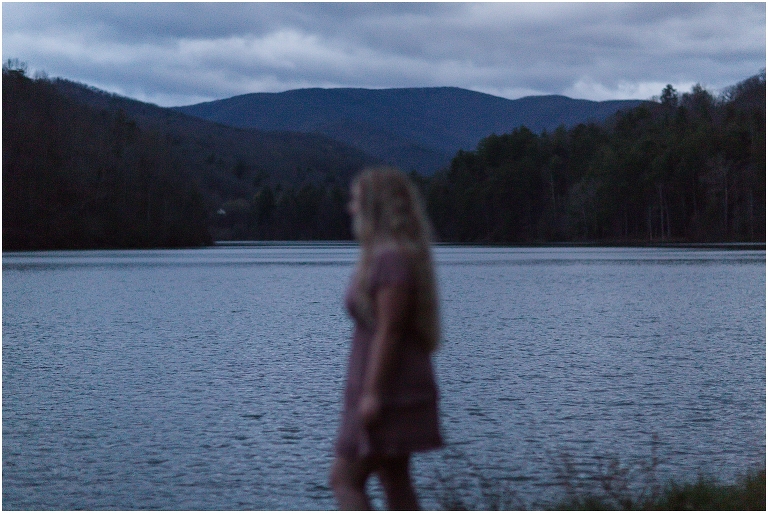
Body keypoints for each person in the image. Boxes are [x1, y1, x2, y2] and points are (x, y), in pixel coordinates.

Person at [330, 167, 443, 510]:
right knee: (394, 477)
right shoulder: (388, 255)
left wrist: (372, 394)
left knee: (345, 479)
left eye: (356, 200)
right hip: (387, 386)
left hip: (387, 389)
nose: (350, 208)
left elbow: (390, 331)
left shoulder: (390, 259)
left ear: (373, 206)